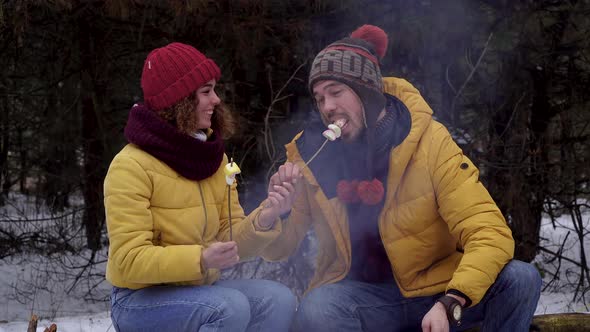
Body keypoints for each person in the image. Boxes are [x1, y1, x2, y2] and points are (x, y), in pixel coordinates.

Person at [261, 25, 542, 331]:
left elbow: (489, 232)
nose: (327, 107)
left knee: (520, 278)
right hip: (361, 298)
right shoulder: (312, 155)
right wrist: (277, 212)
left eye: (336, 92)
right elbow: (279, 250)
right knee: (318, 309)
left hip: (437, 288)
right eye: (319, 97)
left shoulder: (430, 142)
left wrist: (452, 300)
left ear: (367, 92)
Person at [104, 42, 297, 332]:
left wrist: (267, 216)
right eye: (206, 91)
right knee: (229, 307)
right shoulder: (131, 166)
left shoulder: (214, 159)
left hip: (200, 291)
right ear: (179, 101)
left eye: (214, 90)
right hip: (138, 301)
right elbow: (129, 259)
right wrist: (200, 258)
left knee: (278, 299)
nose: (216, 100)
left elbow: (228, 238)